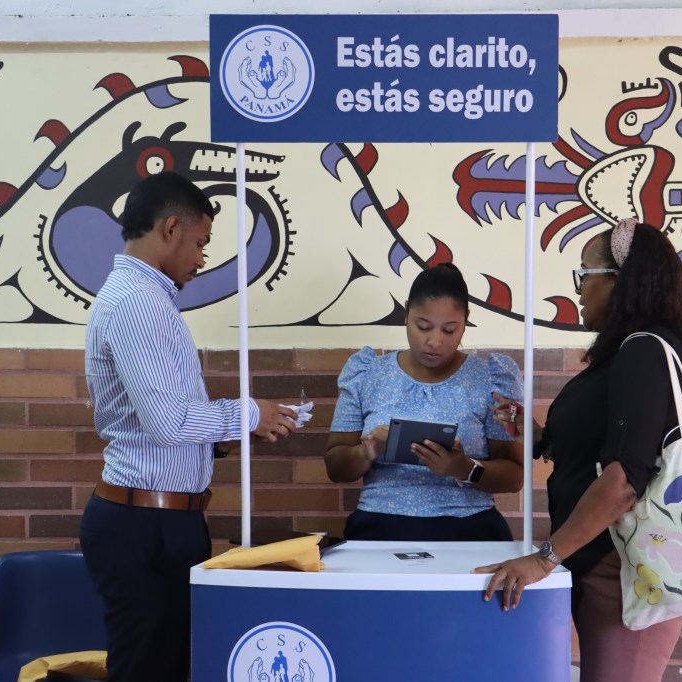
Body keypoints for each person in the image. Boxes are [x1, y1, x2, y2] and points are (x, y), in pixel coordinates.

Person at [79, 171, 299, 682]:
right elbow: (166, 422)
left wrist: (220, 440)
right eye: (201, 243)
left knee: (169, 665)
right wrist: (247, 412)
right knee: (149, 669)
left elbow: (150, 425)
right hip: (145, 524)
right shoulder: (138, 304)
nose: (202, 258)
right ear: (171, 228)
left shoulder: (144, 298)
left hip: (157, 517)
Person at [474, 219, 682, 682]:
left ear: (620, 281)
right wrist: (533, 430)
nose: (579, 290)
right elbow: (596, 452)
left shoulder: (645, 352)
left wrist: (545, 557)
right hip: (605, 564)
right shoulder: (628, 353)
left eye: (585, 274)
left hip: (626, 569)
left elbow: (625, 480)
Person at [324, 262, 523, 541]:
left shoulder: (493, 379)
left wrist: (463, 468)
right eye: (423, 326)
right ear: (407, 313)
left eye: (449, 330)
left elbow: (514, 477)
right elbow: (335, 467)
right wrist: (366, 451)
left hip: (469, 527)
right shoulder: (366, 373)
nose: (434, 341)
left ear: (466, 321)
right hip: (379, 526)